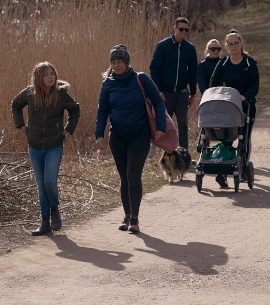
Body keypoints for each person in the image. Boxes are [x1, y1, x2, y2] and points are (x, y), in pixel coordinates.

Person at [96, 45, 166, 233]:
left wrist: (161, 126)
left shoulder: (141, 79)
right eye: (113, 62)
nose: (116, 65)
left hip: (139, 135)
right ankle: (126, 216)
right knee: (124, 177)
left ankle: (134, 218)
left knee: (133, 174)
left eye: (119, 61)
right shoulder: (108, 84)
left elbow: (158, 102)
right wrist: (99, 135)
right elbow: (102, 111)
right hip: (117, 137)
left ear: (126, 62)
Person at [12, 62, 80, 236]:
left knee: (49, 181)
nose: (51, 77)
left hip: (54, 145)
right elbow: (15, 105)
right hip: (34, 146)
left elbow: (75, 110)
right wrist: (21, 125)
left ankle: (54, 209)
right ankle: (44, 223)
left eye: (52, 74)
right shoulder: (29, 93)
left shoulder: (61, 94)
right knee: (41, 185)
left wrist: (68, 131)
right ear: (38, 78)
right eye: (46, 75)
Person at [209, 30, 259, 188]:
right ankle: (222, 171)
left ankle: (243, 167)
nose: (233, 46)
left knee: (244, 137)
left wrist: (245, 96)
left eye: (236, 43)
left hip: (245, 104)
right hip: (227, 105)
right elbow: (214, 81)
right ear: (226, 46)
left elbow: (255, 86)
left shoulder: (250, 63)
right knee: (226, 137)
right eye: (230, 44)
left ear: (241, 43)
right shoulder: (223, 62)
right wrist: (218, 95)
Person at [150, 16, 198, 148]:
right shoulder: (162, 46)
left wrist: (192, 93)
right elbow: (154, 68)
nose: (183, 32)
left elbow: (193, 72)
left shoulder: (190, 48)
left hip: (182, 92)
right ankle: (164, 150)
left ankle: (184, 153)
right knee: (164, 123)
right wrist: (158, 90)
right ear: (174, 28)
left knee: (183, 124)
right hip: (165, 92)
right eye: (181, 29)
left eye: (186, 30)